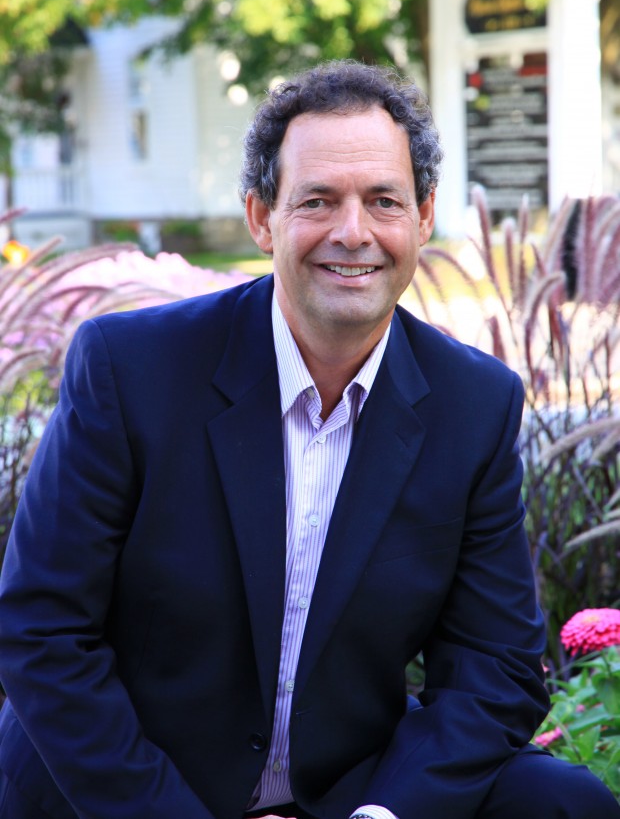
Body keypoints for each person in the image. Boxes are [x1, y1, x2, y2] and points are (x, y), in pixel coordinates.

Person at [0, 60, 616, 819]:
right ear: (262, 217)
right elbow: (43, 630)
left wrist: (381, 817)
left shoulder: (474, 404)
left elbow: (496, 667)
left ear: (424, 216)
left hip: (346, 791)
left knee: (562, 803)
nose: (352, 232)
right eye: (317, 200)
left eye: (382, 201)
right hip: (136, 783)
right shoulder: (131, 370)